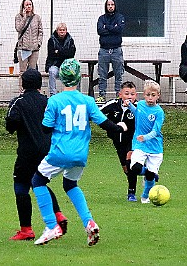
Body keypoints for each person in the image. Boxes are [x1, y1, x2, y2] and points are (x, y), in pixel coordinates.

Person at [31, 59, 128, 246]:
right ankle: (89, 222)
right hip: (80, 155)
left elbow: (45, 128)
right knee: (70, 185)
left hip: (60, 152)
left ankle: (51, 225)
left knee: (37, 181)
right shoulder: (88, 101)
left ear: (61, 78)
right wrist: (120, 127)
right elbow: (105, 124)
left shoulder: (54, 100)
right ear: (79, 78)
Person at [5, 68, 68, 241]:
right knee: (39, 183)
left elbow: (11, 124)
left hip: (27, 152)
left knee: (21, 186)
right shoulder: (48, 102)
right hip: (48, 151)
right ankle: (58, 215)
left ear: (23, 84)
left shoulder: (18, 102)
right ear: (41, 84)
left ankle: (26, 230)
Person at [123, 80, 165, 204]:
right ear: (144, 95)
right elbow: (138, 114)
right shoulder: (140, 105)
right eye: (147, 95)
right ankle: (149, 173)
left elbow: (156, 131)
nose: (150, 98)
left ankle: (146, 196)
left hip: (155, 148)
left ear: (158, 95)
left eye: (153, 95)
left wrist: (145, 137)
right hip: (140, 145)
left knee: (150, 180)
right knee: (134, 168)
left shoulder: (159, 112)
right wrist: (129, 105)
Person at [100, 81, 139, 202]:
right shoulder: (113, 104)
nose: (129, 97)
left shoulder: (138, 108)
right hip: (117, 141)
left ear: (136, 95)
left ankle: (131, 193)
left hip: (132, 141)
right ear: (120, 94)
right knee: (126, 169)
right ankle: (146, 173)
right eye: (126, 93)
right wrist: (111, 126)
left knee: (130, 163)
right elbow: (97, 114)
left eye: (132, 94)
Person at [96, 0, 125, 103]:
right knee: (102, 75)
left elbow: (119, 29)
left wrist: (107, 27)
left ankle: (119, 95)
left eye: (112, 4)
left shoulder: (120, 17)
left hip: (116, 50)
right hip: (104, 51)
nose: (110, 6)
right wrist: (113, 28)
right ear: (106, 6)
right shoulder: (101, 18)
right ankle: (101, 96)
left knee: (118, 75)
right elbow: (100, 31)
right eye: (108, 5)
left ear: (115, 6)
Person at [15, 0, 43, 92]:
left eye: (30, 4)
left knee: (33, 71)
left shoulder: (37, 17)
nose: (28, 6)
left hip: (34, 49)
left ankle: (33, 91)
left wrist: (39, 43)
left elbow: (40, 31)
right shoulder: (18, 17)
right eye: (26, 5)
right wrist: (24, 17)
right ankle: (22, 91)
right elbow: (19, 29)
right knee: (23, 72)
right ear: (23, 6)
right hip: (23, 48)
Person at [45, 23, 76, 96]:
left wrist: (58, 51)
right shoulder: (51, 40)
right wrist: (65, 52)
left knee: (76, 73)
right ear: (57, 31)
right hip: (55, 64)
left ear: (66, 31)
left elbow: (71, 54)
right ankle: (53, 94)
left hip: (67, 64)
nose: (62, 32)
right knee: (52, 71)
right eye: (60, 30)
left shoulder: (70, 40)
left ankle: (72, 94)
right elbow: (51, 54)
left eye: (63, 30)